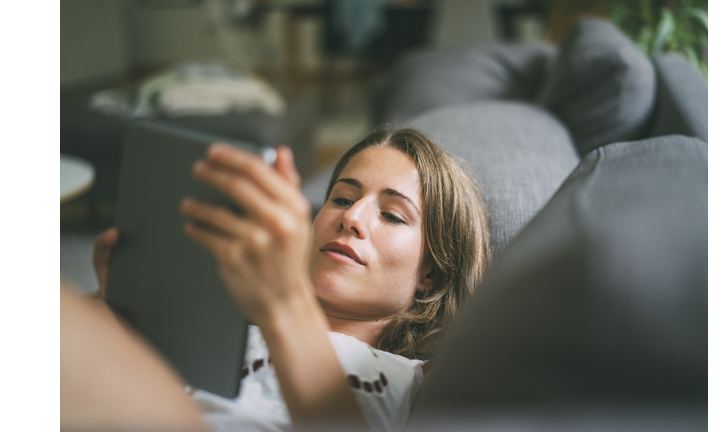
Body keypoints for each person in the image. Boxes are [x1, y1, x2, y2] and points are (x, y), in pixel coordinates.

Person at [61, 128, 490, 432]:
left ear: (430, 275)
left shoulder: (424, 380)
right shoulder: (211, 329)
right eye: (341, 198)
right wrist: (114, 304)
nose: (351, 218)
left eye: (392, 215)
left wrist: (286, 304)